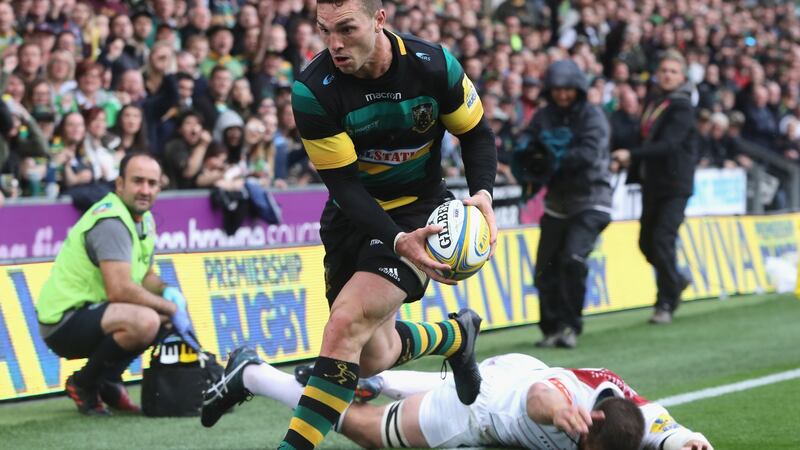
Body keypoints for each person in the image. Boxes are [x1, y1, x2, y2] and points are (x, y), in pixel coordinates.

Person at [223, 1, 497, 448]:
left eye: (346, 29)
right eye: (324, 31)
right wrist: (394, 239)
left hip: (419, 211)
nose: (334, 44)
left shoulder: (433, 66)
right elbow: (346, 186)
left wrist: (482, 194)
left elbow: (476, 133)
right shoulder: (314, 90)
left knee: (345, 323)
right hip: (355, 216)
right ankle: (453, 335)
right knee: (372, 355)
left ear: (379, 20)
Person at [202, 349, 714, 450]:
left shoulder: (634, 420)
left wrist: (691, 440)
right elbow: (543, 395)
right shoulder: (564, 409)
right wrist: (556, 410)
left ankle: (383, 381)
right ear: (587, 421)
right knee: (369, 431)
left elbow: (671, 432)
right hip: (483, 407)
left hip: (516, 367)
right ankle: (256, 375)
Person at [35, 152, 198, 415]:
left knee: (163, 317)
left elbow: (144, 277)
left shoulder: (144, 219)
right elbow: (120, 289)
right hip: (62, 321)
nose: (145, 190)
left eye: (152, 183)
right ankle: (84, 383)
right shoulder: (111, 221)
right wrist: (169, 307)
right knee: (147, 320)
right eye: (138, 181)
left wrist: (169, 292)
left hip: (94, 312)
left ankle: (108, 381)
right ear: (120, 184)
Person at [514, 59, 612, 349]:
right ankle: (550, 328)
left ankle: (570, 326)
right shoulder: (545, 116)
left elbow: (589, 153)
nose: (562, 95)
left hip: (592, 199)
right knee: (545, 267)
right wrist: (529, 156)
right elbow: (528, 141)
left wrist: (554, 158)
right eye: (557, 89)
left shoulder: (592, 116)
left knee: (572, 259)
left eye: (568, 89)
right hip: (557, 203)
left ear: (578, 89)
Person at [612, 50, 698, 325]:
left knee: (662, 240)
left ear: (682, 76)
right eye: (664, 71)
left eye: (673, 71)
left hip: (675, 185)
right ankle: (677, 279)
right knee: (646, 243)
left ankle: (665, 302)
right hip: (652, 183)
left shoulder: (682, 107)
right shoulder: (654, 102)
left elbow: (669, 144)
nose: (668, 75)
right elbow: (643, 137)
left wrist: (632, 155)